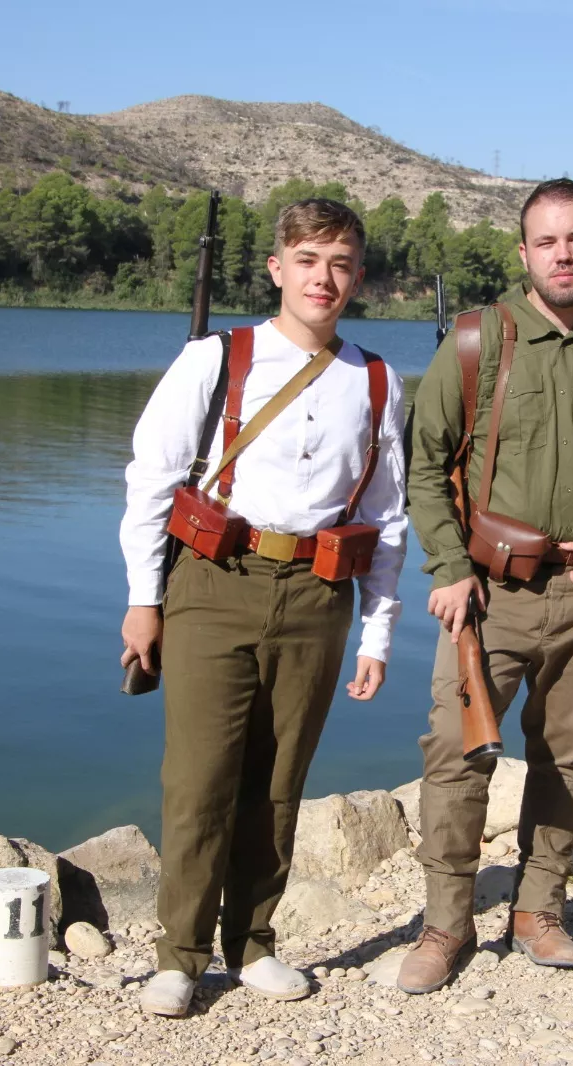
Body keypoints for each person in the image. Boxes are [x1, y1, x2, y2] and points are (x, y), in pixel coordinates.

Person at [118, 198, 408, 1016]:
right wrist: (145, 600)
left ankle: (253, 944)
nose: (326, 278)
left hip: (320, 595)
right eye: (309, 260)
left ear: (358, 276)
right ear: (278, 268)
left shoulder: (378, 381)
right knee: (199, 777)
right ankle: (179, 953)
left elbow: (386, 520)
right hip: (215, 583)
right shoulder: (218, 359)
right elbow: (151, 481)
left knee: (279, 783)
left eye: (342, 263)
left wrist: (377, 635)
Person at [399, 178, 573, 994]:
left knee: (569, 758)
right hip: (487, 598)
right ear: (524, 253)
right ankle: (446, 925)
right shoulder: (476, 341)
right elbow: (425, 466)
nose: (564, 254)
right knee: (455, 761)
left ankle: (540, 910)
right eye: (548, 241)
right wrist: (449, 567)